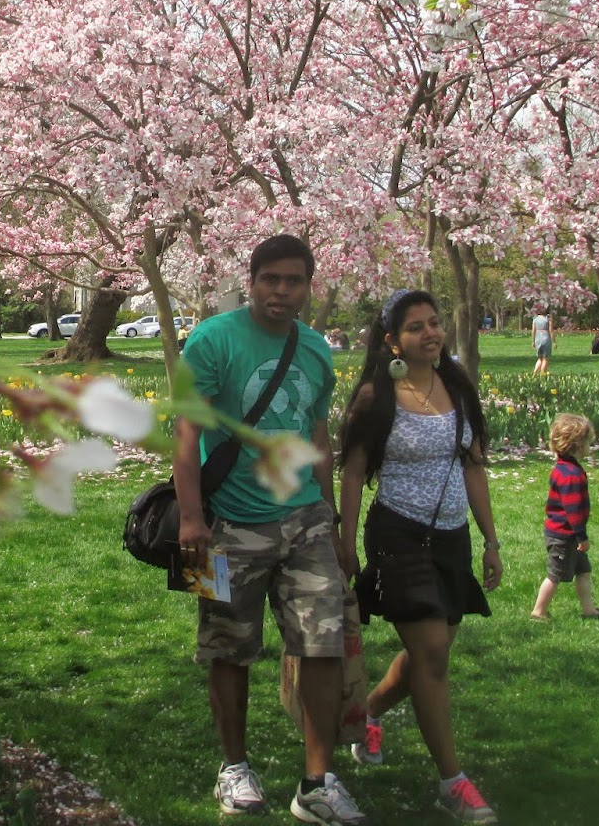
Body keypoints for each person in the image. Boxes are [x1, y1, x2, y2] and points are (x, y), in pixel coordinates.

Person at [174, 234, 365, 823]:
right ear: (251, 281)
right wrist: (190, 518)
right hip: (223, 523)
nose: (282, 291)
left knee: (323, 644)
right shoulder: (211, 340)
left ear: (309, 286)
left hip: (305, 521)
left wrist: (332, 520)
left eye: (294, 281)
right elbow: (186, 433)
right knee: (225, 648)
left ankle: (317, 782)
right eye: (271, 279)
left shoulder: (315, 349)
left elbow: (317, 436)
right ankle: (234, 767)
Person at [338, 289, 501, 825]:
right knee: (432, 653)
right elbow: (354, 472)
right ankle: (453, 784)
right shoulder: (375, 397)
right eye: (416, 327)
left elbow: (473, 465)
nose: (430, 333)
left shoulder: (457, 385)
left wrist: (490, 540)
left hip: (452, 537)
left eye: (434, 323)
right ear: (393, 341)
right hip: (398, 534)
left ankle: (369, 713)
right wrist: (345, 544)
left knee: (430, 653)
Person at [530, 413, 599, 620]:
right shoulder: (570, 475)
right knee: (555, 575)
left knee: (583, 571)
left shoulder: (565, 468)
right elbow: (573, 511)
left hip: (568, 536)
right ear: (578, 446)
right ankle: (539, 610)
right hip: (564, 536)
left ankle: (588, 609)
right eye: (588, 443)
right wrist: (581, 537)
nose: (590, 447)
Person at [531, 305, 554, 376]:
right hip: (546, 337)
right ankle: (543, 373)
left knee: (540, 358)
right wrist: (554, 342)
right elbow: (551, 331)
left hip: (538, 338)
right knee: (545, 358)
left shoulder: (535, 319)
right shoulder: (548, 319)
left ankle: (535, 373)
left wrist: (533, 341)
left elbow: (533, 331)